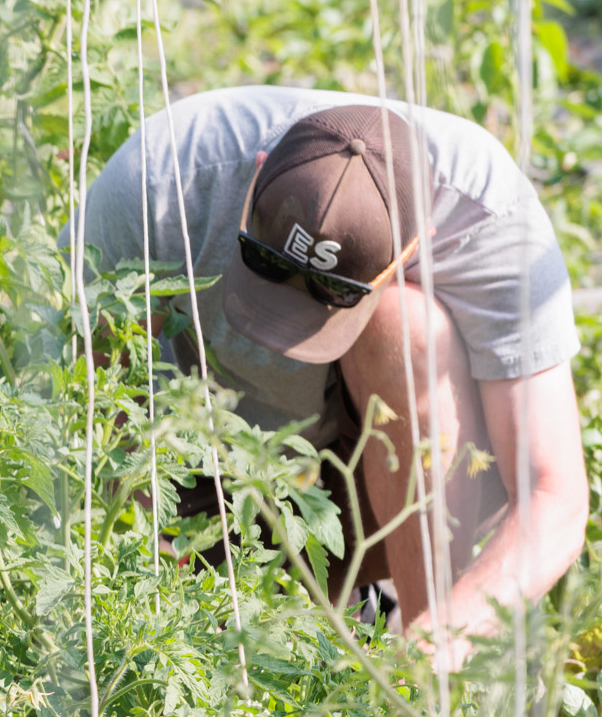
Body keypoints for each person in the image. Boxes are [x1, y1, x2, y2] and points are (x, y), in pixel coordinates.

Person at [79, 87, 588, 668]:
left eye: (331, 299)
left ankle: (423, 666)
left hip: (382, 489)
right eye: (265, 263)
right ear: (258, 176)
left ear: (412, 248)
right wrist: (144, 556)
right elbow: (91, 380)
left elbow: (555, 496)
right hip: (198, 467)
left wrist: (441, 639)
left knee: (406, 328)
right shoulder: (164, 180)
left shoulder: (487, 220)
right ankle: (273, 605)